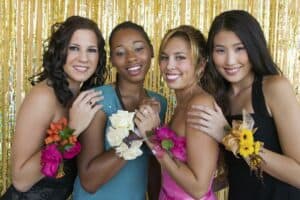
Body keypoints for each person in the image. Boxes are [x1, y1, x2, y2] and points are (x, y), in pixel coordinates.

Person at [187, 10, 300, 200]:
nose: (230, 61)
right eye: (220, 50)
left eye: (239, 48)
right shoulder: (218, 98)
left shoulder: (274, 88)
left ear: (254, 47)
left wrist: (228, 136)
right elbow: (242, 170)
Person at [0, 16, 107, 200]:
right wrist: (71, 130)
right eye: (74, 48)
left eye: (91, 50)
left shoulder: (82, 99)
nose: (83, 58)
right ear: (60, 51)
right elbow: (20, 180)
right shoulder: (44, 96)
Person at [73, 21, 167, 200]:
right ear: (112, 60)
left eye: (139, 48)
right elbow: (89, 181)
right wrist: (138, 133)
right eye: (121, 53)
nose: (132, 58)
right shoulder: (97, 100)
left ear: (152, 51)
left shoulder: (159, 103)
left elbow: (153, 166)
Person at [135, 25, 219, 200]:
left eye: (180, 57)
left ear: (201, 65)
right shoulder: (182, 103)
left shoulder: (200, 104)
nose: (169, 65)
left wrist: (152, 139)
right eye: (165, 57)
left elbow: (198, 188)